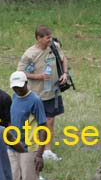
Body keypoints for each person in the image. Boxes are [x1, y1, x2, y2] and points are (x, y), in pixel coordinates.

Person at [17, 25, 68, 161]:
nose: (50, 40)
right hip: (36, 95)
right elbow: (20, 73)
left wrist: (65, 74)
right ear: (39, 38)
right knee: (35, 123)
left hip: (52, 92)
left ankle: (47, 150)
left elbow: (64, 59)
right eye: (47, 38)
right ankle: (32, 148)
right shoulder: (30, 54)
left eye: (50, 37)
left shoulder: (54, 47)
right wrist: (38, 76)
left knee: (50, 121)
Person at [8, 71, 47, 180]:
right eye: (14, 87)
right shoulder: (14, 97)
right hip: (12, 147)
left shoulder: (35, 100)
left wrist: (39, 154)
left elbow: (43, 128)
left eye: (19, 86)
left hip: (29, 149)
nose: (17, 89)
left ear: (26, 83)